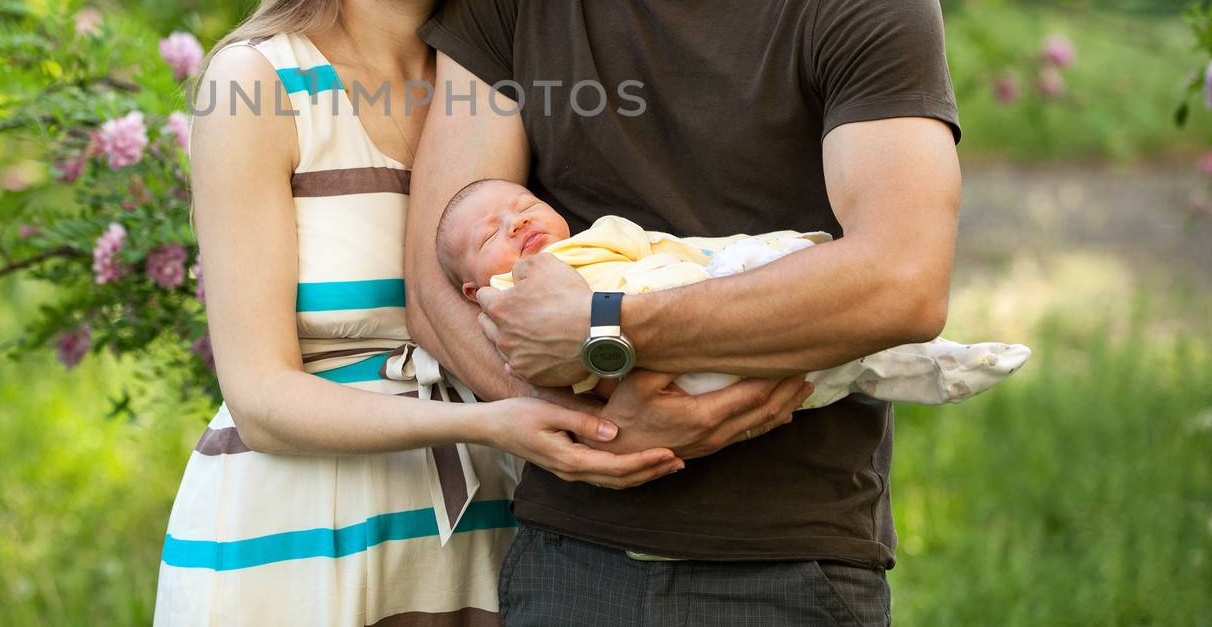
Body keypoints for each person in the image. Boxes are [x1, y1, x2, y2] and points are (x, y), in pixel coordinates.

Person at [153, 0, 861, 626]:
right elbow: (262, 399)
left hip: (486, 542)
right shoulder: (259, 84)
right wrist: (482, 422)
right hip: (303, 548)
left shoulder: (528, 54)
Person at [404, 0, 965, 627]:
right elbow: (434, 274)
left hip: (789, 571)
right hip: (564, 561)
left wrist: (612, 325)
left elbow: (900, 278)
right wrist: (596, 426)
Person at [436, 178, 1027, 406]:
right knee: (807, 373)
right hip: (662, 383)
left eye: (524, 207)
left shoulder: (603, 237)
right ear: (473, 286)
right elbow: (542, 364)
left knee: (817, 355)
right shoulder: (506, 301)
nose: (514, 223)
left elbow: (690, 247)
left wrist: (755, 253)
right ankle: (913, 367)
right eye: (491, 233)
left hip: (703, 302)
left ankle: (925, 366)